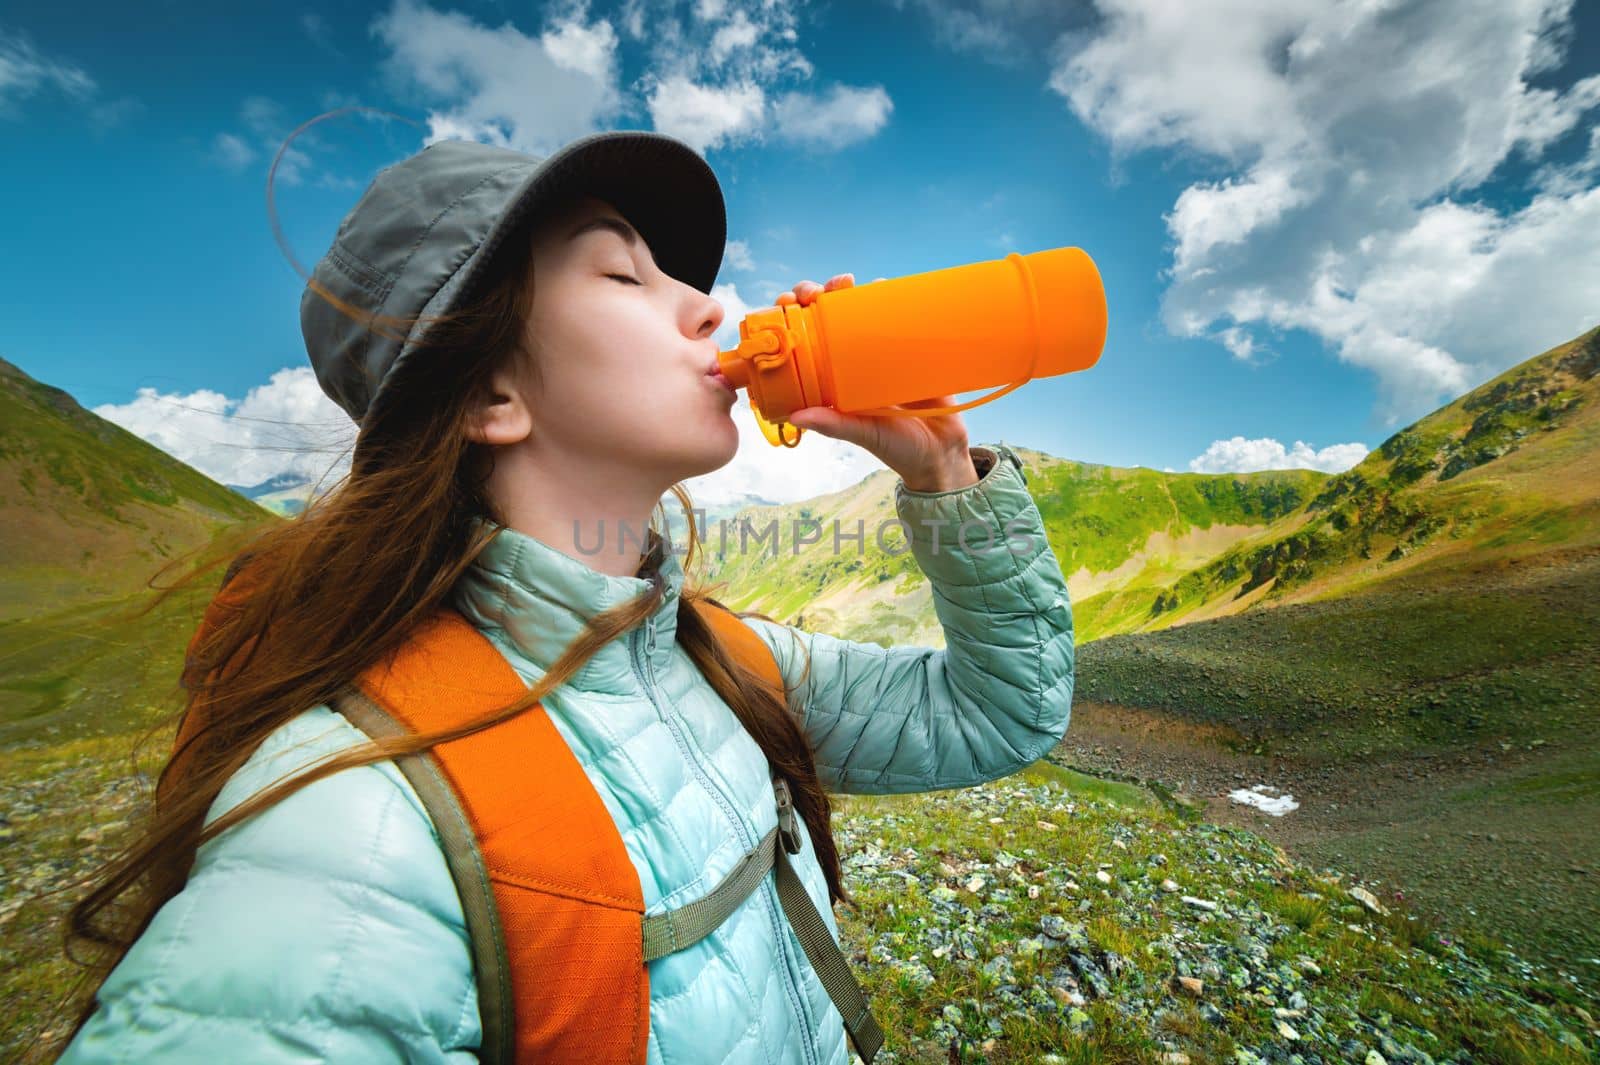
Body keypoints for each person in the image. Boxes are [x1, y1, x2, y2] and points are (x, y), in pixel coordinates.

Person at [48, 129, 1075, 1064]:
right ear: (492, 395)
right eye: (625, 272)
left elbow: (996, 714)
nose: (712, 304)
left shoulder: (717, 659)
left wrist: (943, 468)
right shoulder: (355, 825)